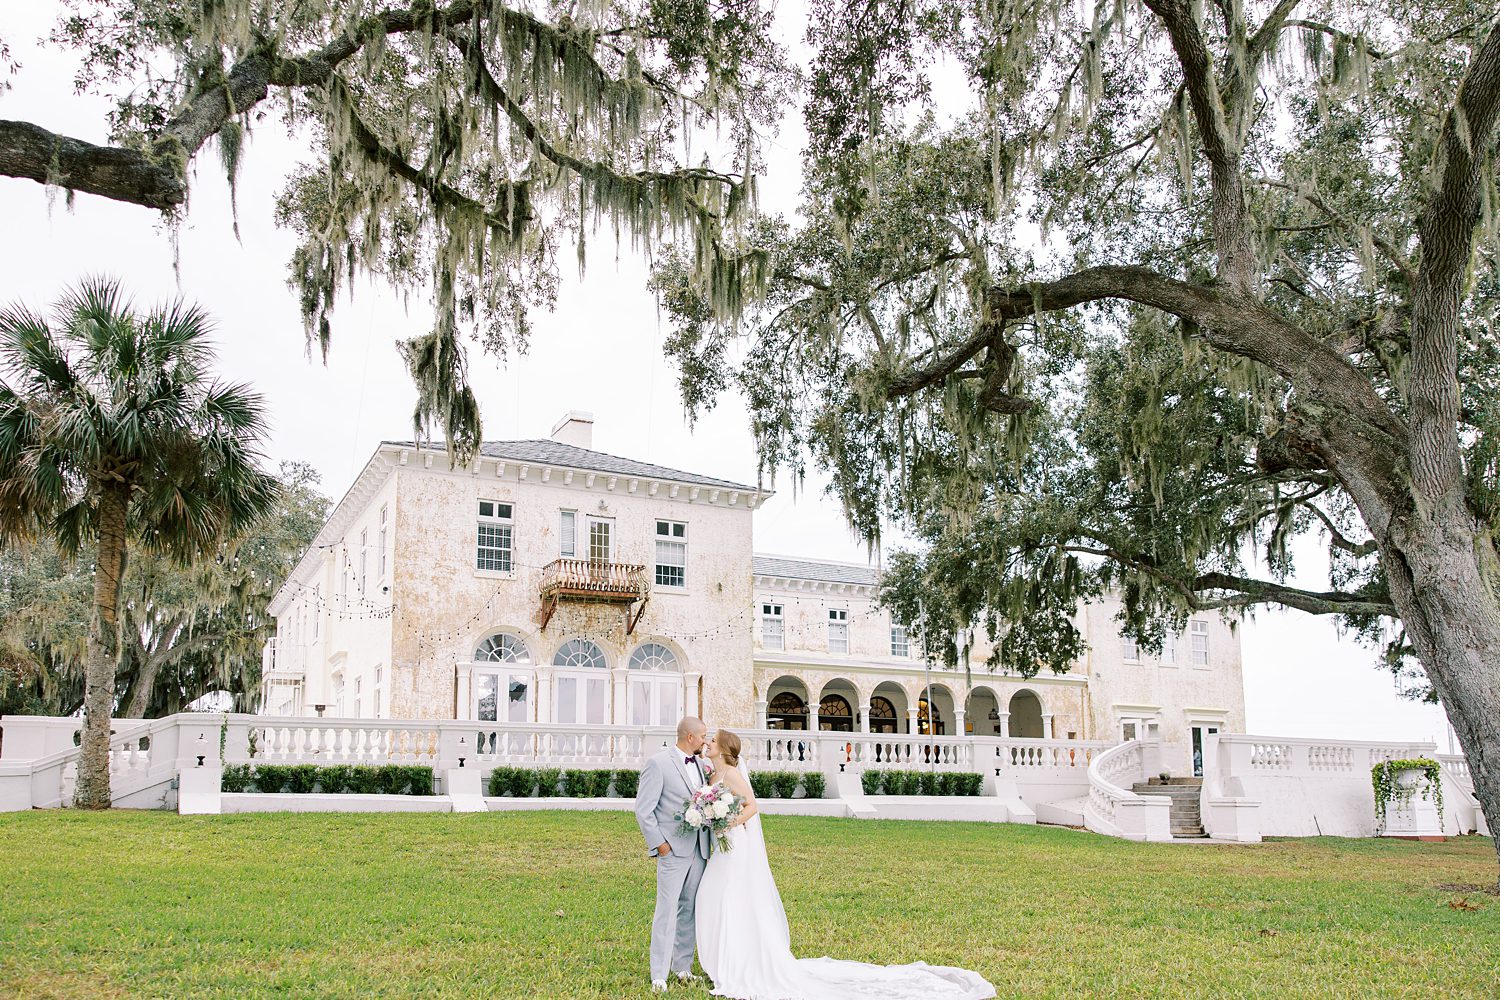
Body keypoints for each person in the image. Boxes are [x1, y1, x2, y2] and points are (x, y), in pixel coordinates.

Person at [695, 729, 996, 1000]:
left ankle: (736, 959)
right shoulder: (713, 774)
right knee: (719, 895)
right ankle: (726, 956)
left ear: (723, 748)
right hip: (725, 846)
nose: (707, 742)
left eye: (712, 740)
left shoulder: (733, 773)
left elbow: (753, 806)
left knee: (731, 895)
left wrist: (729, 822)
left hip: (736, 844)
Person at [633, 716, 712, 993]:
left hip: (699, 849)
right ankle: (658, 973)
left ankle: (682, 968)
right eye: (703, 735)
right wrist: (660, 844)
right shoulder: (659, 763)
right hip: (672, 850)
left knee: (689, 909)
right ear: (689, 736)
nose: (706, 739)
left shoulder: (702, 765)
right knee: (666, 911)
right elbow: (644, 810)